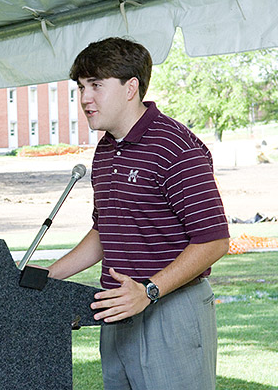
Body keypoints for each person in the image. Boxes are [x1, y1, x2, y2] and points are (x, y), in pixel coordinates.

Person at [46, 37, 230, 389]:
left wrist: (148, 292)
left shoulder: (174, 147)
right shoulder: (106, 149)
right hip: (118, 309)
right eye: (81, 87)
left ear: (131, 87)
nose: (84, 99)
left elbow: (214, 240)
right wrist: (48, 275)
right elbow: (107, 231)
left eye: (96, 86)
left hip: (170, 310)